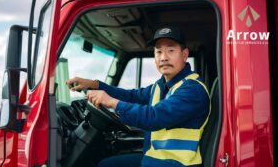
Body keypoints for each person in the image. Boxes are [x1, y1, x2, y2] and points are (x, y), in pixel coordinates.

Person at [66, 26, 210, 167]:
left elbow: (153, 117)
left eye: (171, 50)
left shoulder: (192, 89)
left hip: (176, 163)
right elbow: (131, 96)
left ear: (184, 55)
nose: (164, 57)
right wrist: (94, 85)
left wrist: (111, 102)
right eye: (158, 52)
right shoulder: (162, 86)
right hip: (156, 157)